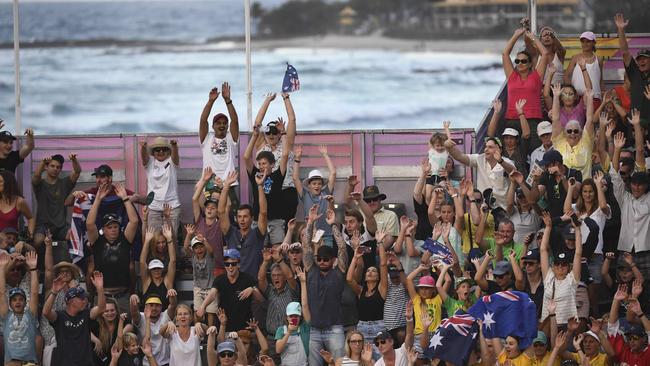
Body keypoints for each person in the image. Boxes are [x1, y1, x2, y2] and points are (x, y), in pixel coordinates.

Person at [302, 205, 349, 366]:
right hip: (314, 329)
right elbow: (306, 247)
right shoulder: (311, 270)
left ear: (333, 260)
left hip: (334, 328)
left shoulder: (338, 272)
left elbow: (342, 248)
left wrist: (333, 224)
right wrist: (310, 223)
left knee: (339, 364)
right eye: (319, 258)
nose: (322, 261)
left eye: (326, 258)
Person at [86, 182, 139, 313]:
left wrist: (125, 199)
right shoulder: (97, 241)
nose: (113, 230)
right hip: (102, 295)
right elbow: (89, 223)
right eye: (109, 227)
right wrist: (97, 199)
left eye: (115, 226)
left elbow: (134, 221)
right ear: (103, 229)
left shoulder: (125, 239)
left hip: (123, 295)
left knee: (126, 330)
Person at [445, 122, 515, 211]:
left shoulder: (507, 162)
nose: (486, 149)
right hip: (483, 209)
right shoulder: (479, 158)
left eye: (490, 147)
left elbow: (513, 172)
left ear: (499, 149)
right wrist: (449, 148)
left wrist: (500, 161)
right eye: (486, 147)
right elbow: (460, 157)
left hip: (504, 209)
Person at [43, 271, 107, 366]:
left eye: (85, 298)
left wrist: (100, 288)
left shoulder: (86, 314)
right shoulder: (60, 316)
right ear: (71, 301)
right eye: (81, 299)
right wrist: (54, 292)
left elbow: (101, 308)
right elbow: (46, 312)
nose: (85, 301)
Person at [254, 92, 298, 227]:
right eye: (268, 132)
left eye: (275, 132)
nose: (271, 135)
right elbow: (257, 124)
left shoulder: (286, 143)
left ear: (280, 134)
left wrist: (286, 98)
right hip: (267, 191)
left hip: (286, 189)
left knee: (286, 226)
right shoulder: (261, 145)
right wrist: (268, 100)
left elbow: (292, 120)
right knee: (264, 226)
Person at [502, 27, 549, 148]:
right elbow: (505, 54)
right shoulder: (512, 76)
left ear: (530, 64)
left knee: (534, 150)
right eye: (517, 61)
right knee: (514, 153)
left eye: (523, 61)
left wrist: (533, 37)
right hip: (513, 119)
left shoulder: (536, 76)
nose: (520, 63)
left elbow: (545, 54)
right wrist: (516, 35)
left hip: (532, 120)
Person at [197, 248, 264, 332]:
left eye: (233, 264)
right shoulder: (220, 279)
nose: (230, 267)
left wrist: (253, 289)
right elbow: (212, 293)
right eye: (227, 264)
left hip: (243, 328)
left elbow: (261, 300)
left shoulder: (248, 279)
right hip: (224, 326)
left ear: (239, 264)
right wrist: (203, 306)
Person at [610, 137, 650, 275]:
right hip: (626, 248)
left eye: (640, 184)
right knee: (623, 286)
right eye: (634, 184)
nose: (636, 187)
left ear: (646, 185)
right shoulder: (624, 198)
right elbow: (614, 175)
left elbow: (639, 152)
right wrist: (617, 149)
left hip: (646, 250)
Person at [199, 83, 240, 210]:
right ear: (213, 126)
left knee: (231, 219)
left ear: (227, 126)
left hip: (229, 184)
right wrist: (210, 101)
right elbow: (203, 120)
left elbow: (235, 120)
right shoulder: (207, 138)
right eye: (218, 123)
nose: (221, 125)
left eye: (224, 123)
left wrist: (228, 101)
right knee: (208, 218)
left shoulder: (230, 138)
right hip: (209, 184)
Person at [346, 230, 388, 353]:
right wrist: (355, 257)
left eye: (374, 271)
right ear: (364, 276)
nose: (370, 272)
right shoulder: (360, 291)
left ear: (378, 276)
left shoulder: (382, 288)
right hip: (362, 328)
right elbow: (349, 279)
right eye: (368, 271)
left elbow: (383, 264)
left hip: (379, 327)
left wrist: (379, 243)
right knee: (363, 361)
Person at [220, 171, 268, 278]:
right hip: (233, 282)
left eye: (245, 216)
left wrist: (260, 186)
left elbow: (263, 212)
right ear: (236, 219)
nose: (242, 220)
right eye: (239, 217)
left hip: (252, 283)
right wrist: (226, 186)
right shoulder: (231, 233)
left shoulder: (257, 233)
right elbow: (221, 212)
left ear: (251, 218)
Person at [539, 212, 582, 326]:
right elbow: (543, 250)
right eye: (557, 264)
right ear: (552, 266)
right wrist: (548, 227)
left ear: (569, 267)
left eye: (563, 264)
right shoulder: (548, 277)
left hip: (566, 326)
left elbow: (578, 253)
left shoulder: (572, 279)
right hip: (547, 325)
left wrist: (577, 229)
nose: (560, 267)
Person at [32, 154, 81, 248]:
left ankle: (72, 262)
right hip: (43, 226)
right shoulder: (40, 184)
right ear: (46, 167)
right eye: (52, 166)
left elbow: (77, 172)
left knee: (75, 236)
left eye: (58, 167)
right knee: (38, 241)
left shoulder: (64, 183)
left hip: (61, 226)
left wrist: (74, 160)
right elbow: (36, 175)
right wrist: (43, 162)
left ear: (60, 170)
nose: (55, 169)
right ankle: (37, 263)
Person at [293, 144, 336, 246]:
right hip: (309, 235)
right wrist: (297, 159)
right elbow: (295, 178)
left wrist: (325, 155)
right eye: (314, 183)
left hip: (326, 235)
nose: (317, 186)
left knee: (325, 260)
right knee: (309, 260)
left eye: (319, 183)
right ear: (309, 185)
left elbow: (333, 173)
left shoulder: (326, 193)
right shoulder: (305, 194)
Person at [258, 245, 298, 356]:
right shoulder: (270, 290)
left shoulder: (292, 290)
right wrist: (265, 262)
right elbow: (260, 279)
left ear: (284, 277)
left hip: (289, 336)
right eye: (273, 275)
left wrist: (279, 260)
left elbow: (290, 277)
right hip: (271, 338)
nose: (276, 278)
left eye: (279, 275)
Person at [0, 252, 38, 365]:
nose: (17, 302)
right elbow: (1, 293)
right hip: (11, 363)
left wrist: (33, 269)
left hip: (29, 363)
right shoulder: (6, 316)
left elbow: (35, 293)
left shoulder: (30, 314)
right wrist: (2, 269)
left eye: (21, 299)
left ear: (25, 302)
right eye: (14, 300)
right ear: (10, 303)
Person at [550, 83, 595, 178]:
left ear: (581, 133)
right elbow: (555, 119)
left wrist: (590, 98)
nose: (573, 133)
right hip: (564, 187)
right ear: (565, 133)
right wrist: (556, 97)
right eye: (569, 131)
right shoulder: (559, 142)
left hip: (584, 189)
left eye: (576, 131)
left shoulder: (586, 142)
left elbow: (590, 119)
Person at [140, 137, 181, 236]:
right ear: (153, 152)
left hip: (172, 207)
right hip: (153, 208)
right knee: (154, 240)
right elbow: (144, 158)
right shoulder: (150, 163)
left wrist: (174, 146)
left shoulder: (172, 162)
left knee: (171, 238)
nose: (161, 151)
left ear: (168, 152)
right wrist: (143, 148)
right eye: (157, 150)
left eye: (164, 149)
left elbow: (175, 157)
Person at [615, 13, 650, 123]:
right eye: (639, 59)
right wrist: (621, 30)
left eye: (645, 59)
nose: (641, 61)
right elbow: (625, 52)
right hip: (634, 122)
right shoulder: (634, 73)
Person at [192, 167, 226, 276]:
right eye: (208, 207)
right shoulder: (199, 221)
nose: (210, 209)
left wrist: (222, 187)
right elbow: (194, 199)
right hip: (201, 267)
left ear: (218, 211)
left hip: (218, 267)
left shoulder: (220, 223)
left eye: (213, 207)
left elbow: (228, 205)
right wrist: (204, 181)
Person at [607, 284, 650, 365]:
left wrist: (640, 313)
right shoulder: (624, 352)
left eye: (635, 338)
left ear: (644, 339)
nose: (632, 341)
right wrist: (616, 300)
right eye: (629, 338)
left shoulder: (648, 354)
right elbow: (612, 329)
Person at [130, 293, 177, 366]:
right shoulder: (141, 317)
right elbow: (134, 311)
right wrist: (133, 298)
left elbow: (173, 306)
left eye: (157, 305)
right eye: (151, 305)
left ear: (161, 307)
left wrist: (172, 295)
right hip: (146, 362)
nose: (154, 308)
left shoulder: (165, 315)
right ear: (145, 307)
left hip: (166, 362)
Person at [140, 225, 176, 309]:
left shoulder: (167, 280)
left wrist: (169, 239)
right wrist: (147, 241)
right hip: (149, 316)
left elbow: (173, 262)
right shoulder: (147, 281)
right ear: (150, 270)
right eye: (154, 268)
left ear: (163, 268)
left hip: (165, 316)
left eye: (158, 268)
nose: (156, 270)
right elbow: (142, 263)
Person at [274, 285, 310, 366]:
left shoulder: (305, 328)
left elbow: (305, 305)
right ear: (286, 317)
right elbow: (278, 350)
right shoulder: (281, 330)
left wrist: (303, 283)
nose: (293, 318)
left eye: (296, 316)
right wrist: (288, 332)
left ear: (300, 317)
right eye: (291, 316)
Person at [565, 31, 604, 103]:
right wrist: (571, 93)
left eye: (588, 41)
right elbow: (566, 76)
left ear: (594, 43)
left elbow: (601, 79)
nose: (585, 44)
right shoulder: (575, 58)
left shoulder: (599, 59)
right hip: (578, 98)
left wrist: (603, 94)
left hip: (595, 97)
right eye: (583, 41)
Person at [506, 171, 541, 244]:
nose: (523, 199)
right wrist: (512, 183)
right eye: (520, 197)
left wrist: (521, 183)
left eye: (524, 196)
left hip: (532, 251)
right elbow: (509, 204)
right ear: (517, 199)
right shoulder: (513, 211)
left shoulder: (535, 211)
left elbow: (532, 201)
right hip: (516, 251)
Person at [0, 171, 34, 238]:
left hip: (10, 241)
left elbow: (31, 218)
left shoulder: (19, 201)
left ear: (8, 183)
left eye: (0, 181)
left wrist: (30, 234)